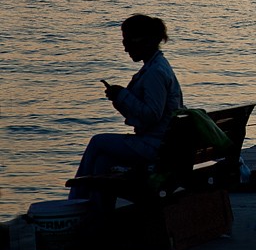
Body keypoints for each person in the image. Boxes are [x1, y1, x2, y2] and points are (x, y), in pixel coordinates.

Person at [69, 14, 184, 204]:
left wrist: (123, 96)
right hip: (160, 144)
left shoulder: (155, 72)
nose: (125, 48)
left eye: (128, 41)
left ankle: (74, 201)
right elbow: (142, 114)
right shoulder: (156, 67)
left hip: (155, 146)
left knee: (97, 142)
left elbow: (151, 115)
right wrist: (119, 99)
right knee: (102, 161)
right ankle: (95, 213)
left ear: (145, 42)